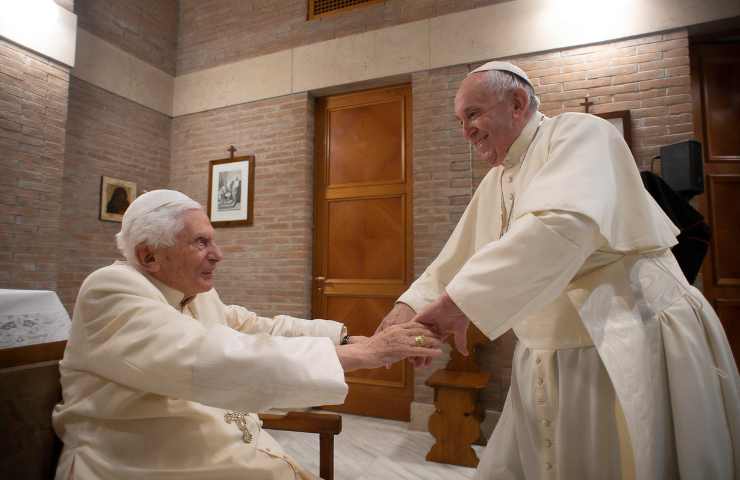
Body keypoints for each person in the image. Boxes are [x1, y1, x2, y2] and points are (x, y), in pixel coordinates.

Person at [377, 61, 739, 479]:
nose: (466, 132)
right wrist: (409, 307)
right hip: (547, 355)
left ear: (516, 103)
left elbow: (560, 227)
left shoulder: (580, 133)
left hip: (623, 338)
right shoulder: (497, 179)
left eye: (473, 115)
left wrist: (458, 305)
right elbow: (457, 257)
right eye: (460, 121)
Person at [53, 189, 441, 480]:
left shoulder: (192, 291)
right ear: (149, 256)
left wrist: (344, 337)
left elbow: (249, 325)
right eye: (201, 242)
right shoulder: (110, 289)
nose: (218, 254)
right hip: (138, 463)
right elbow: (208, 356)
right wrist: (364, 356)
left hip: (213, 454)